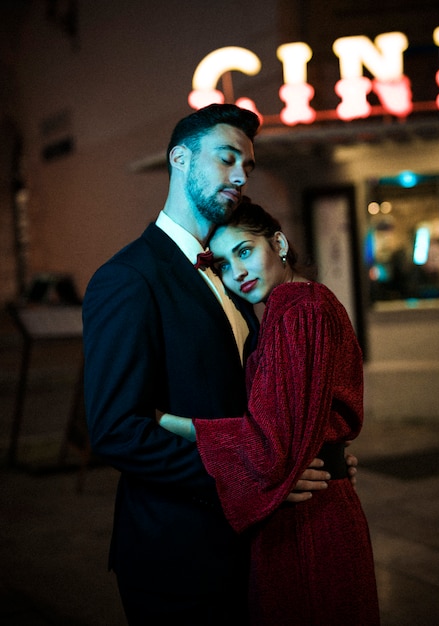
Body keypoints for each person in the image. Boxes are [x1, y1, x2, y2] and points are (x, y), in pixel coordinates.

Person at [82, 104, 358, 626]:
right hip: (176, 553)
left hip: (250, 545)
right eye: (227, 158)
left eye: (248, 166)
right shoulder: (127, 278)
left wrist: (321, 452)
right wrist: (251, 480)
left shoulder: (232, 277)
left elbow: (256, 404)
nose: (239, 175)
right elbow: (116, 431)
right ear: (180, 159)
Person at [158, 200, 380, 625]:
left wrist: (167, 422)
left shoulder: (299, 313)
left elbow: (268, 450)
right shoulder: (299, 307)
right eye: (222, 264)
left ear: (278, 243)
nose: (237, 272)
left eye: (244, 251)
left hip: (307, 521)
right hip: (314, 506)